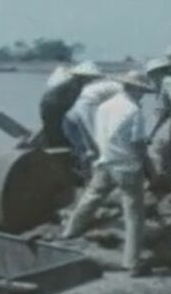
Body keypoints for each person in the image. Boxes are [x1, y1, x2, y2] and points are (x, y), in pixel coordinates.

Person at [62, 71, 157, 276]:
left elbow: (98, 133)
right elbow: (138, 144)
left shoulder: (104, 106)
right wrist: (149, 169)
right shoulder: (134, 111)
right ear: (136, 89)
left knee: (90, 198)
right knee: (134, 215)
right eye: (142, 91)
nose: (142, 95)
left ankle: (69, 232)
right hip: (127, 166)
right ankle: (131, 263)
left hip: (105, 162)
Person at [62, 68, 121, 178]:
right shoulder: (119, 89)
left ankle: (89, 174)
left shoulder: (104, 87)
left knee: (90, 149)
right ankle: (90, 176)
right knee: (92, 148)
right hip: (78, 117)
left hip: (74, 117)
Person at [41, 62, 101, 149]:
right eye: (92, 78)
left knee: (53, 132)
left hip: (49, 104)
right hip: (54, 107)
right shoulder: (76, 87)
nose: (93, 81)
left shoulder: (71, 84)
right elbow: (76, 108)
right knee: (62, 133)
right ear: (83, 77)